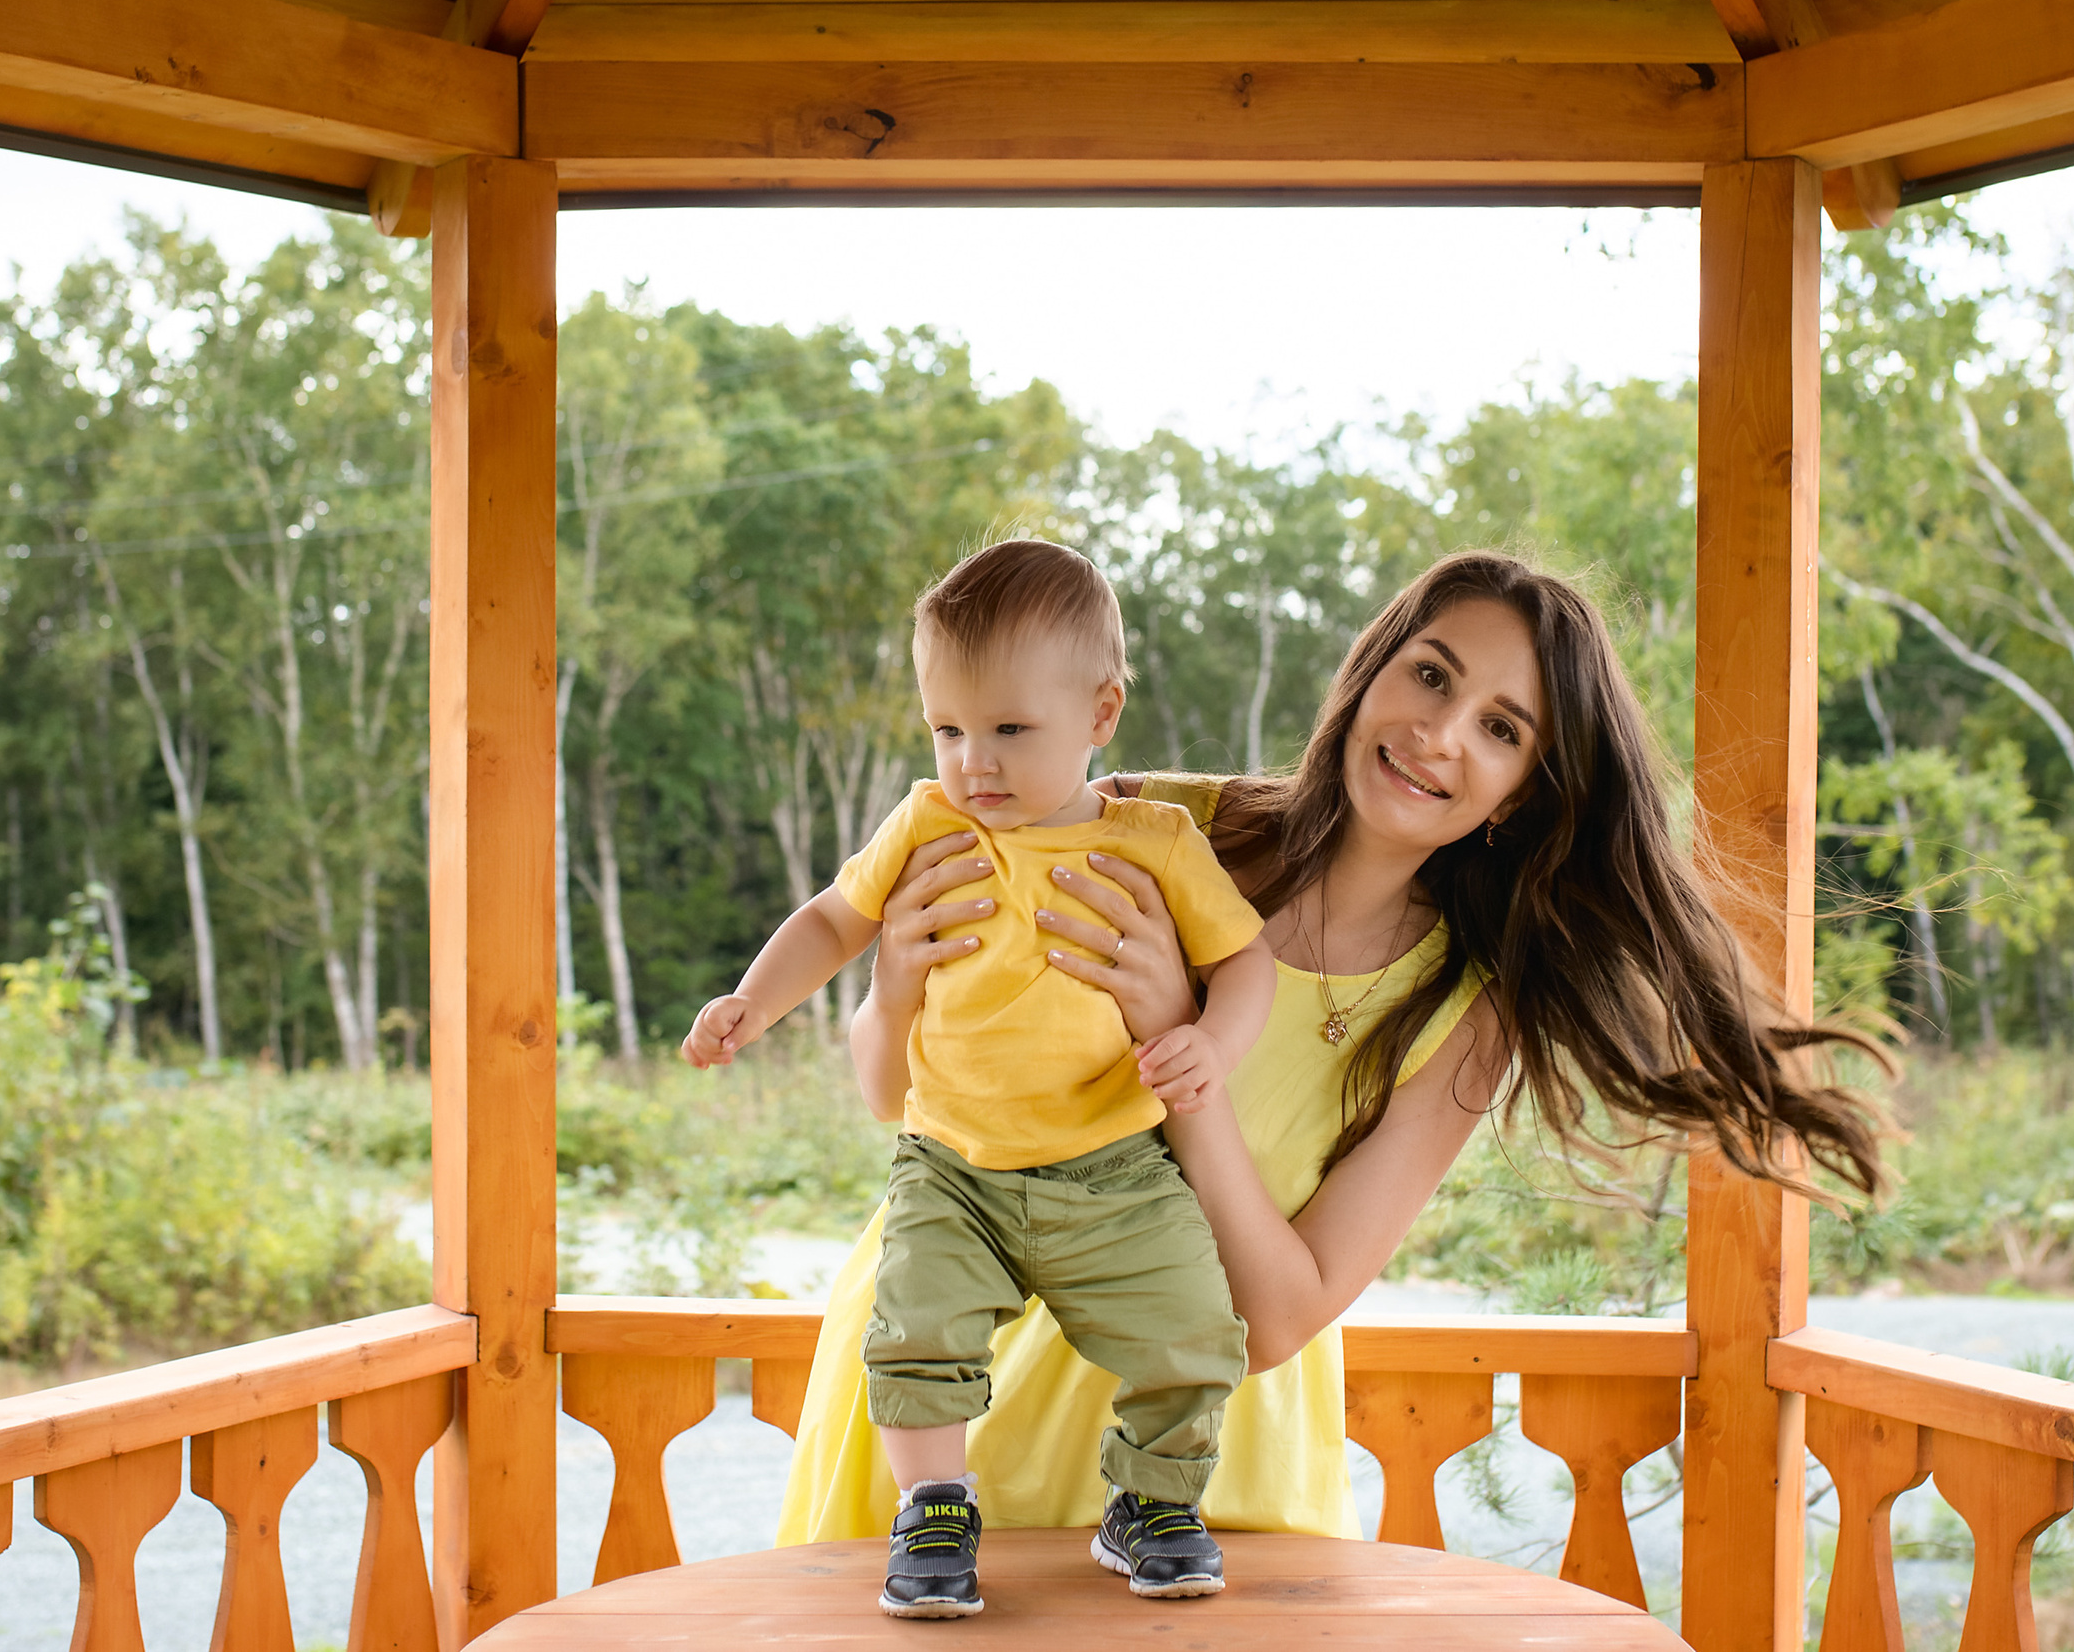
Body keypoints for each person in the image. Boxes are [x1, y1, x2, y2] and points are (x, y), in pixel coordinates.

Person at [777, 549, 1888, 1552]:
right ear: (1369, 672)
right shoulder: (1156, 827)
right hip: (952, 1416)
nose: (1440, 734)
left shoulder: (1463, 1010)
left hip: (1187, 1472)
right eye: (1432, 675)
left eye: (1503, 730)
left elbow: (1274, 1321)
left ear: (1522, 794)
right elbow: (897, 1091)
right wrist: (891, 983)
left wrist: (1179, 1041)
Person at [685, 539, 1277, 1619]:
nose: (974, 762)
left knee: (1194, 1324)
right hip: (950, 1163)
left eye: (1009, 729)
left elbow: (1245, 960)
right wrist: (752, 1001)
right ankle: (935, 1507)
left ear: (1101, 714)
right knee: (915, 1324)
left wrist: (1214, 1045)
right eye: (947, 729)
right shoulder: (927, 821)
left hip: (1114, 1168)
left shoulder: (1154, 841)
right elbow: (832, 919)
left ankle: (1149, 1502)